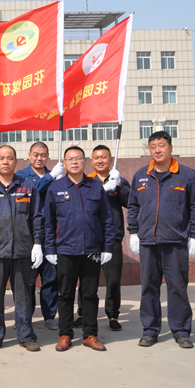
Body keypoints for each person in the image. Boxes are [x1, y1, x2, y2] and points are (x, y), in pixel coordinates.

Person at [128, 131, 195, 349]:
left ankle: (181, 331)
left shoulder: (186, 175)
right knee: (148, 288)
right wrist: (133, 232)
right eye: (153, 146)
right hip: (148, 242)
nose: (157, 150)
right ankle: (150, 330)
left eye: (161, 145)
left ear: (170, 147)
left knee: (177, 288)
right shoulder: (141, 176)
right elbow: (133, 206)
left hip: (175, 242)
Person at [43, 146, 118, 352]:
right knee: (65, 294)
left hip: (91, 249)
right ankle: (65, 334)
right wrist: (49, 249)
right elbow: (48, 222)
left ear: (85, 162)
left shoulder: (95, 187)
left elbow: (106, 219)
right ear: (64, 163)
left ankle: (90, 334)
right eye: (70, 159)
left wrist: (107, 247)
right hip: (65, 250)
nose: (74, 162)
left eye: (78, 158)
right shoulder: (55, 187)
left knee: (90, 294)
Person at [0, 145, 44, 353]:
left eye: (10, 158)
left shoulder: (28, 187)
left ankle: (26, 335)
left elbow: (37, 217)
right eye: (1, 158)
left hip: (23, 251)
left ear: (16, 161)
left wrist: (38, 243)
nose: (5, 161)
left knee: (24, 297)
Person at [74, 145, 130, 332]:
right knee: (86, 280)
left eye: (103, 157)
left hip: (111, 238)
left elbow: (131, 202)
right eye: (96, 158)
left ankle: (112, 314)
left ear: (110, 160)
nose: (100, 161)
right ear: (91, 161)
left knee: (113, 280)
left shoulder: (118, 180)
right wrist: (101, 190)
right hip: (89, 238)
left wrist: (119, 186)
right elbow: (81, 203)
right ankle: (83, 313)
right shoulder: (86, 181)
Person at [15, 142, 65, 330]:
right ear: (29, 155)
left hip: (50, 235)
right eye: (36, 154)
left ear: (48, 156)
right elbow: (30, 190)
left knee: (50, 279)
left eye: (43, 155)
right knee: (26, 280)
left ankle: (49, 315)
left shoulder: (56, 175)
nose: (39, 158)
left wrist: (59, 181)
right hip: (28, 235)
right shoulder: (21, 176)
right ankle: (25, 317)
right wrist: (50, 178)